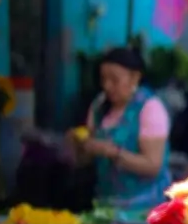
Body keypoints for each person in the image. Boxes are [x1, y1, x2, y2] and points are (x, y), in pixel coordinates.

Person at [72, 46, 172, 210]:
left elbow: (153, 166)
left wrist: (112, 152)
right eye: (103, 79)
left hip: (145, 207)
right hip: (106, 205)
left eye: (114, 80)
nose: (107, 86)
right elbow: (86, 159)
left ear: (135, 78)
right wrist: (80, 146)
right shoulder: (99, 105)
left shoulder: (149, 108)